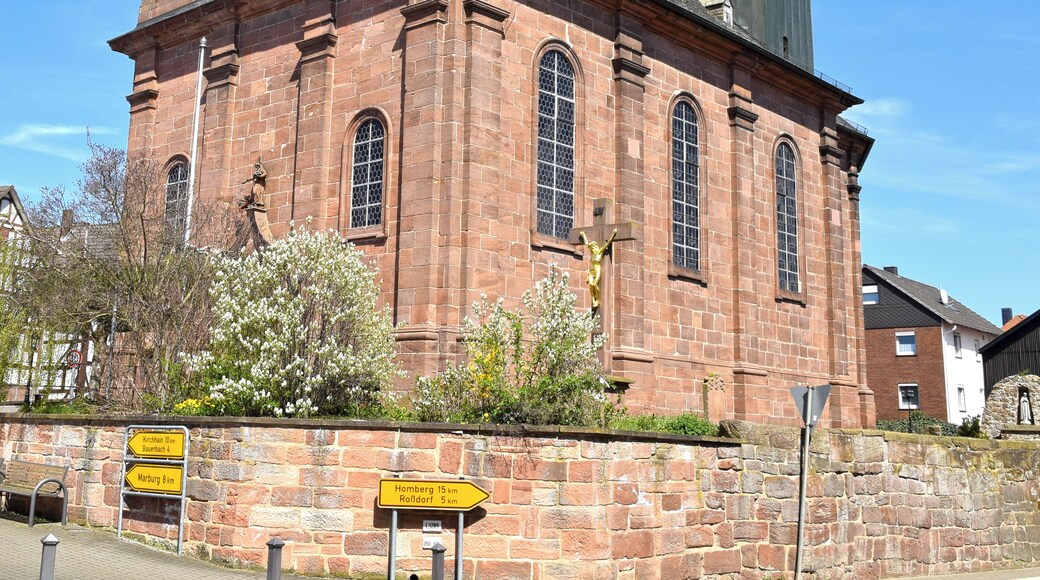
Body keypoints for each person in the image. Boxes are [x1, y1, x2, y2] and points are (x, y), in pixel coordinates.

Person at [579, 228, 617, 309]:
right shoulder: (592, 253)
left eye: (593, 247)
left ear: (596, 247)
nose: (592, 249)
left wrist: (613, 234)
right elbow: (587, 244)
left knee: (595, 284)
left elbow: (607, 244)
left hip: (597, 269)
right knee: (590, 285)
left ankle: (598, 299)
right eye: (592, 248)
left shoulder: (599, 252)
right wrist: (584, 235)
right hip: (591, 271)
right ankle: (593, 299)